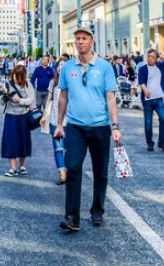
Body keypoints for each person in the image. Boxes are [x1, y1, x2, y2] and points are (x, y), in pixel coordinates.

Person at [54, 26, 121, 232]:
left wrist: (115, 125)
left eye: (84, 38)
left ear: (92, 41)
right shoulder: (67, 68)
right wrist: (59, 124)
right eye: (77, 39)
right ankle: (72, 217)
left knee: (101, 171)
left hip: (100, 127)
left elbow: (111, 98)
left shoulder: (104, 67)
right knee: (73, 168)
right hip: (75, 127)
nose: (80, 42)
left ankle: (97, 210)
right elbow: (63, 97)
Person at [0, 65, 33, 177]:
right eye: (14, 76)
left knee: (23, 141)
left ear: (23, 77)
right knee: (11, 141)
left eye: (18, 77)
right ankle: (12, 168)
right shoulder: (8, 84)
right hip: (11, 116)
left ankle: (21, 165)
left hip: (23, 116)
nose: (15, 79)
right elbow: (1, 103)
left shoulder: (28, 84)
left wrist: (20, 101)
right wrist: (4, 94)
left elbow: (31, 101)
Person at [41, 56, 67, 185]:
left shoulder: (73, 82)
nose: (61, 67)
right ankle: (62, 173)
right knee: (58, 148)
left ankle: (68, 169)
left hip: (69, 121)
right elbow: (49, 100)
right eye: (59, 65)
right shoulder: (53, 82)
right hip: (54, 120)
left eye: (64, 64)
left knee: (68, 148)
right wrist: (44, 116)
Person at [137, 49, 164, 152]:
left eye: (152, 56)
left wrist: (163, 57)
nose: (150, 58)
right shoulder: (143, 69)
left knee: (163, 120)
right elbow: (141, 81)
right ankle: (150, 143)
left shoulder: (160, 66)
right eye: (149, 56)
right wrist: (145, 90)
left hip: (159, 98)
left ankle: (161, 143)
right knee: (148, 123)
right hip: (148, 100)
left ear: (156, 58)